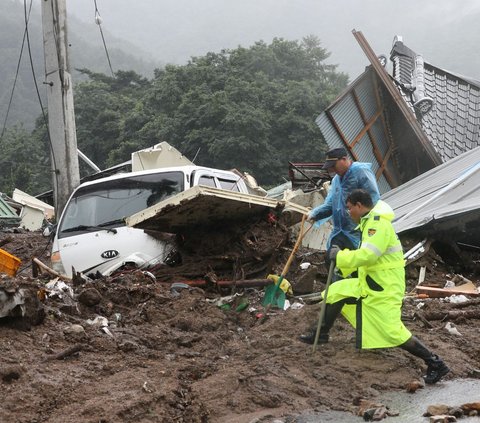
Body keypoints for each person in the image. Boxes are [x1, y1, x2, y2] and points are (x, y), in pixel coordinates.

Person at [303, 189, 450, 385]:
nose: (348, 213)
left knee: (392, 331)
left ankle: (435, 363)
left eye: (349, 209)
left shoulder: (377, 225)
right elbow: (368, 257)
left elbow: (368, 256)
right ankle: (321, 333)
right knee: (336, 291)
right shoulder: (369, 223)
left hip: (384, 286)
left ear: (359, 206)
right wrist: (343, 262)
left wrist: (339, 256)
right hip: (371, 282)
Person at [308, 147, 380, 260]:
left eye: (333, 165)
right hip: (340, 232)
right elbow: (331, 204)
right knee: (332, 261)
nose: (332, 170)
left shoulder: (360, 172)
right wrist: (315, 214)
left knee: (357, 263)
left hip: (357, 232)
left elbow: (373, 200)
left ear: (344, 159)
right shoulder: (336, 180)